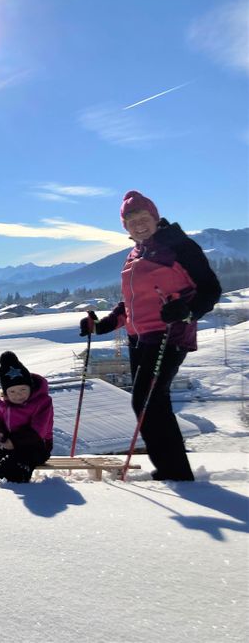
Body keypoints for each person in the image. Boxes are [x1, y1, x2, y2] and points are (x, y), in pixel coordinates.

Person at [80, 190, 221, 481]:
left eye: (143, 218)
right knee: (151, 402)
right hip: (139, 338)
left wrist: (187, 311)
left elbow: (210, 289)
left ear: (155, 218)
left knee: (146, 401)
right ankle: (173, 469)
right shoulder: (135, 254)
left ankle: (175, 472)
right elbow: (129, 303)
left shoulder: (178, 246)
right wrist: (101, 325)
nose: (138, 225)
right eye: (131, 221)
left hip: (170, 333)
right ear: (125, 228)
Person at [0, 351, 53, 483]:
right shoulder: (6, 405)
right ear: (6, 393)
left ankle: (15, 473)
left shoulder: (42, 402)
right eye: (12, 391)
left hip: (36, 446)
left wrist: (13, 442)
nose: (18, 395)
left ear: (30, 388)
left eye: (23, 390)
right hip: (9, 444)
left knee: (16, 462)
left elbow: (38, 431)